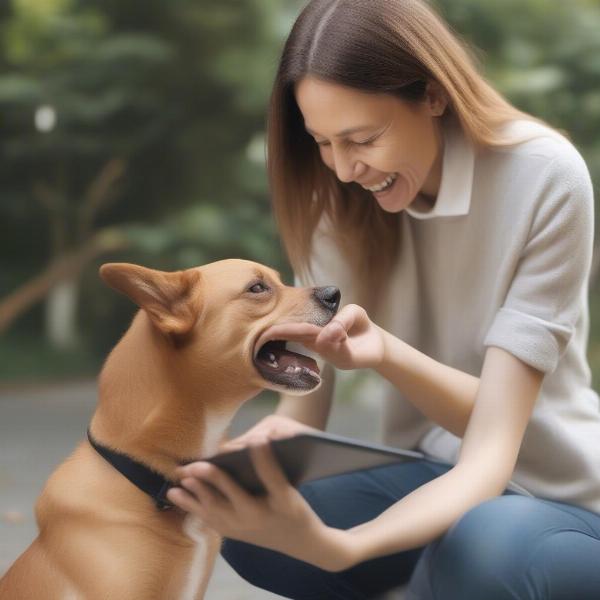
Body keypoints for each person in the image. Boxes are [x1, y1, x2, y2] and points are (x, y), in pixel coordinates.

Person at [167, 0, 600, 598]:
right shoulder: (338, 208)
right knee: (259, 514)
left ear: (433, 95)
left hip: (563, 497)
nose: (344, 168)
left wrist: (346, 548)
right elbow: (301, 421)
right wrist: (248, 461)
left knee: (487, 546)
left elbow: (491, 453)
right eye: (322, 142)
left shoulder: (544, 176)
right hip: (432, 473)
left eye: (363, 138)